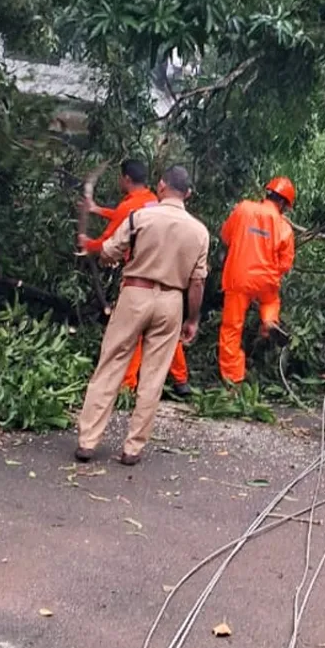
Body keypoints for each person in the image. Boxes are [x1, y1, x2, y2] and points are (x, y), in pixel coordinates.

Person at [75, 165, 209, 465]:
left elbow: (109, 251)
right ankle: (133, 448)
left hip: (135, 292)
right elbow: (197, 281)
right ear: (187, 193)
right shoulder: (199, 232)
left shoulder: (141, 217)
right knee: (153, 376)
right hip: (172, 301)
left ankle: (88, 441)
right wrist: (192, 319)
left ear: (161, 186)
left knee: (111, 364)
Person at [82, 160, 191, 397]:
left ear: (126, 179)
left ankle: (128, 384)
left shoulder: (131, 207)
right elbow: (123, 215)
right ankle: (181, 381)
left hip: (141, 274)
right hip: (169, 274)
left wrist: (86, 244)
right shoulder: (152, 200)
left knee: (135, 332)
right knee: (168, 332)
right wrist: (98, 210)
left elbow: (108, 243)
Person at [217, 176, 296, 385]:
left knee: (231, 329)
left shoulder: (244, 209)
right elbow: (285, 264)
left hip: (239, 276)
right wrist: (269, 272)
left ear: (267, 193)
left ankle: (233, 381)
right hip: (266, 279)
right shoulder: (284, 227)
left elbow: (225, 236)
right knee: (271, 301)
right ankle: (269, 321)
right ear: (284, 205)